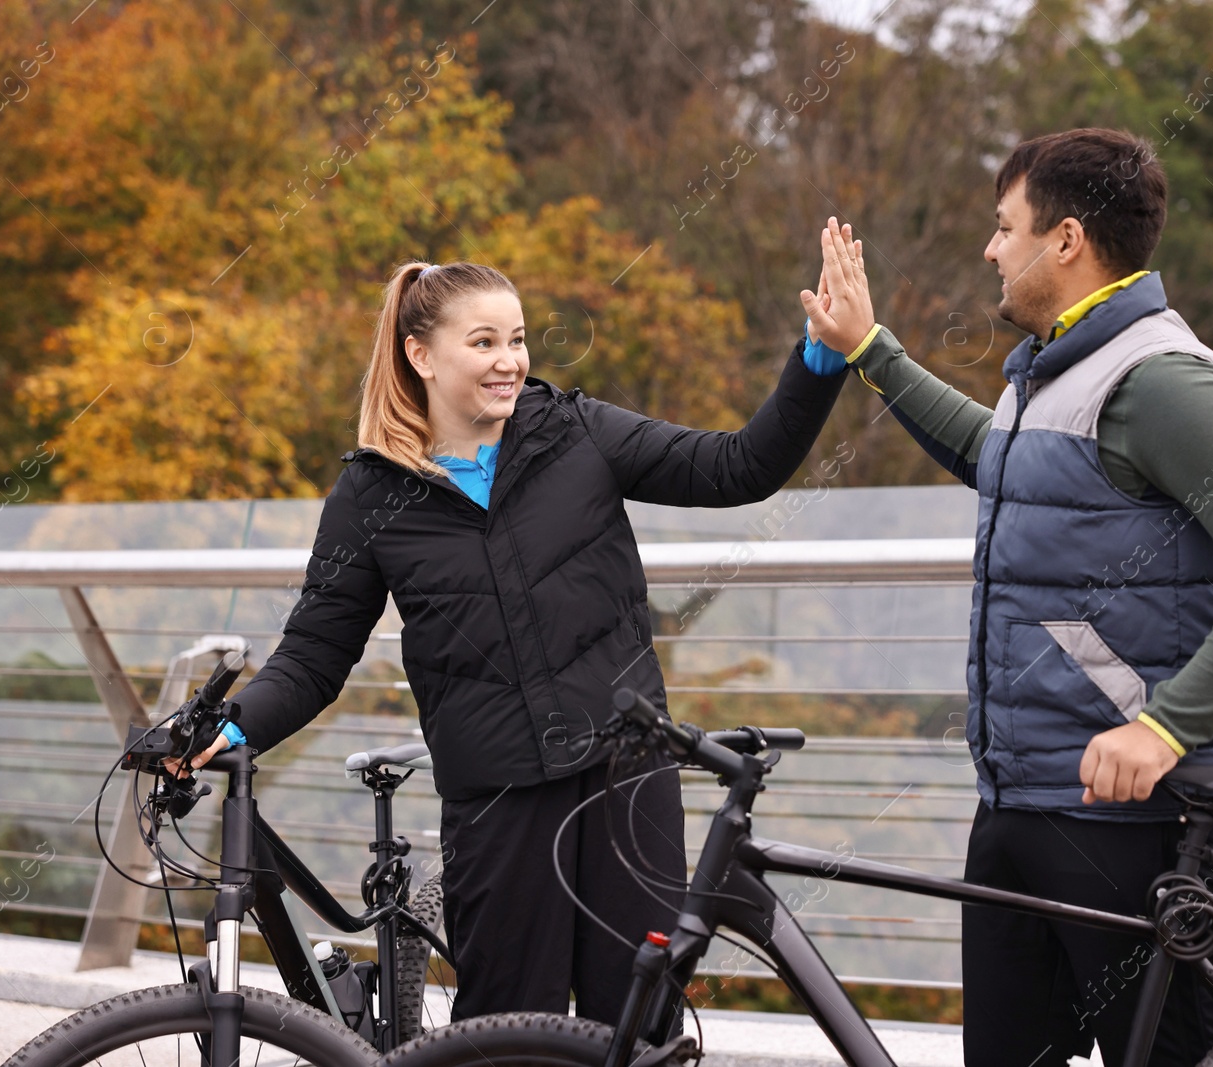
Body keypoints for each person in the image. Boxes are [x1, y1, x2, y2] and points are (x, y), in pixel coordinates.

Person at [173, 255, 850, 1025]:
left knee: (634, 1021)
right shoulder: (371, 492)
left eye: (518, 340)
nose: (510, 361)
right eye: (485, 342)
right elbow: (314, 654)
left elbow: (739, 467)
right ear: (421, 355)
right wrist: (232, 724)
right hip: (496, 801)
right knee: (503, 1031)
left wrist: (819, 357)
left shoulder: (578, 432)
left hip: (626, 779)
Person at [802, 129, 1213, 1066]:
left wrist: (1164, 727)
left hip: (1129, 819)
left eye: (1002, 226)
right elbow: (994, 457)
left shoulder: (1165, 380)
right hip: (1020, 796)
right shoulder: (1052, 370)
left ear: (1064, 239)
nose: (989, 249)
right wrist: (871, 350)